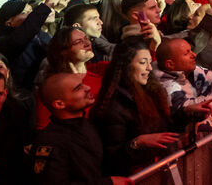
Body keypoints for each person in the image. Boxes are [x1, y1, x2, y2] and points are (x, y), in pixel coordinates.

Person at [91, 37, 182, 175]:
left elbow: (166, 128)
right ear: (126, 65)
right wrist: (136, 143)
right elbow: (112, 158)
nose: (149, 68)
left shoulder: (151, 93)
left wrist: (187, 113)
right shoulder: (113, 107)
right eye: (142, 62)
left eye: (150, 62)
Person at [30, 72, 130, 184]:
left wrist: (137, 143)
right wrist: (108, 183)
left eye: (83, 84)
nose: (88, 87)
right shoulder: (50, 141)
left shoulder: (87, 125)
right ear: (59, 104)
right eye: (78, 88)